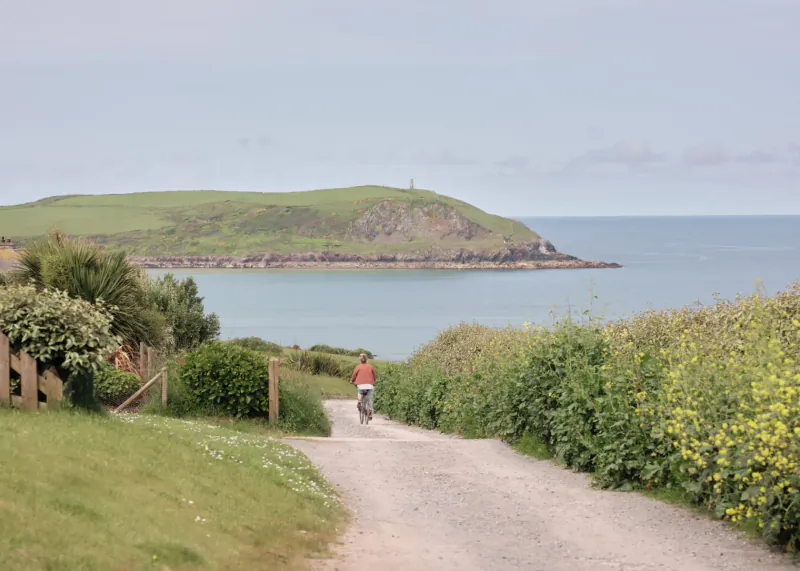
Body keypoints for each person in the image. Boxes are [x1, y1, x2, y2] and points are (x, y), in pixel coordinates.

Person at [350, 353, 376, 419]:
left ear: (360, 360)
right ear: (366, 359)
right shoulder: (370, 367)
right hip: (369, 385)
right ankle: (370, 413)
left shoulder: (358, 367)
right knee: (370, 399)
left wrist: (351, 381)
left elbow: (354, 375)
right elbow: (374, 376)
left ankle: (359, 401)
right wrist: (374, 382)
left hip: (360, 385)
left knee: (360, 393)